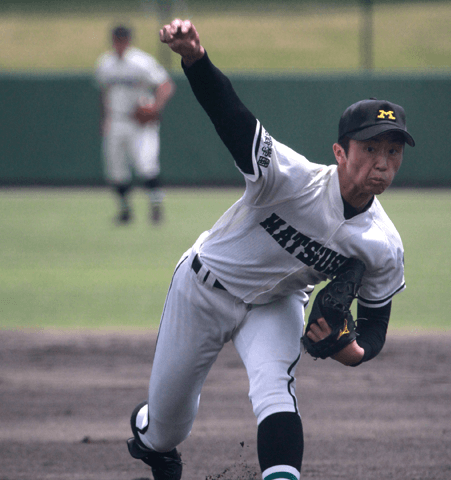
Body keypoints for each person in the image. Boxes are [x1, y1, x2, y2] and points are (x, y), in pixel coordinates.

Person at [126, 19, 415, 480]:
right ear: (340, 152)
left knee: (276, 390)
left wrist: (352, 351)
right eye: (371, 148)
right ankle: (152, 439)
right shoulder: (288, 178)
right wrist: (195, 59)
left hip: (276, 305)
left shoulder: (383, 244)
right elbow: (231, 117)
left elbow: (375, 325)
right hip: (203, 289)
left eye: (394, 152)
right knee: (167, 428)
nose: (383, 163)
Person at [94, 25, 176, 224]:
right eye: (116, 40)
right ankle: (125, 211)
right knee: (115, 168)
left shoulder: (141, 61)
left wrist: (155, 107)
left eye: (122, 40)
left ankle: (156, 208)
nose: (119, 44)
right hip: (115, 120)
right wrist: (104, 119)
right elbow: (104, 93)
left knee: (146, 164)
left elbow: (165, 85)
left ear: (129, 41)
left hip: (139, 123)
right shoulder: (105, 63)